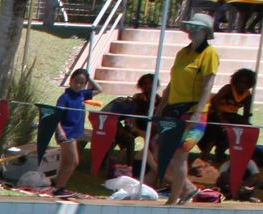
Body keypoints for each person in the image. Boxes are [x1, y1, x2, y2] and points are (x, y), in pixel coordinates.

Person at [154, 12, 220, 203]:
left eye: (195, 28)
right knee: (160, 152)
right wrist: (161, 105)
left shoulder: (210, 54)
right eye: (189, 27)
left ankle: (173, 200)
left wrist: (198, 112)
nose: (190, 31)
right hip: (173, 110)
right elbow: (173, 82)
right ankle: (189, 188)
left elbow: (208, 85)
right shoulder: (182, 53)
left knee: (180, 155)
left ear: (205, 31)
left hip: (194, 113)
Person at [38, 68, 96, 197]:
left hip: (75, 133)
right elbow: (56, 118)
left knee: (66, 162)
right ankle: (60, 188)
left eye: (82, 83)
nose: (79, 85)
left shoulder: (82, 94)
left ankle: (58, 187)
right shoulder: (65, 98)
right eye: (76, 81)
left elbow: (99, 89)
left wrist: (88, 76)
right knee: (74, 162)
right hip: (66, 133)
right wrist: (60, 132)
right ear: (70, 81)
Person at [104, 72, 156, 168]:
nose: (149, 86)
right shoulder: (139, 97)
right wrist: (136, 129)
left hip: (147, 127)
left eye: (151, 83)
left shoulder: (157, 98)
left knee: (153, 138)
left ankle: (141, 164)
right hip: (134, 125)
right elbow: (132, 117)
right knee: (127, 139)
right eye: (146, 83)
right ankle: (130, 165)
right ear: (141, 85)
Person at [203, 66, 255, 160]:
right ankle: (205, 156)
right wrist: (221, 118)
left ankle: (228, 153)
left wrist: (244, 126)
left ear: (249, 84)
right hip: (216, 112)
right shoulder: (228, 88)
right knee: (217, 130)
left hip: (231, 115)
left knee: (247, 129)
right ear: (235, 80)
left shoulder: (247, 95)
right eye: (240, 81)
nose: (242, 84)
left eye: (245, 82)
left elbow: (246, 114)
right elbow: (214, 102)